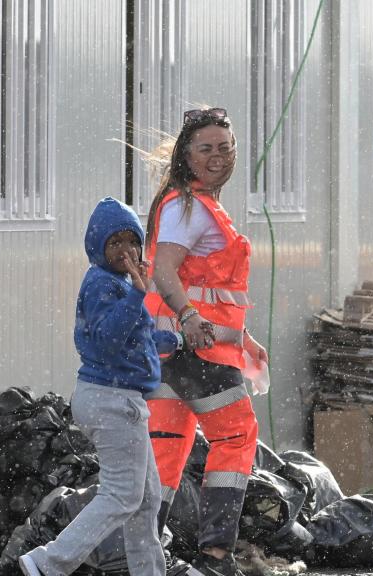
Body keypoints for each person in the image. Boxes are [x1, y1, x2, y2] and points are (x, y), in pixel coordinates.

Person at [19, 197, 178, 576]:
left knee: (145, 500)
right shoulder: (103, 285)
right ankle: (47, 562)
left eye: (131, 241)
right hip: (112, 400)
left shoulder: (118, 286)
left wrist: (175, 342)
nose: (125, 251)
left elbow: (131, 341)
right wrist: (139, 294)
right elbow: (108, 339)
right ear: (97, 248)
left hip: (114, 397)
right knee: (123, 495)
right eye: (114, 243)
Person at [143, 107, 267, 576]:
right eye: (205, 149)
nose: (217, 157)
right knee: (235, 436)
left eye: (225, 147)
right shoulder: (188, 207)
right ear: (186, 155)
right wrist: (191, 316)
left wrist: (245, 338)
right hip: (196, 349)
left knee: (166, 446)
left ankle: (142, 549)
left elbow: (209, 286)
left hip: (166, 349)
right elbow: (165, 271)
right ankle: (216, 554)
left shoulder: (190, 203)